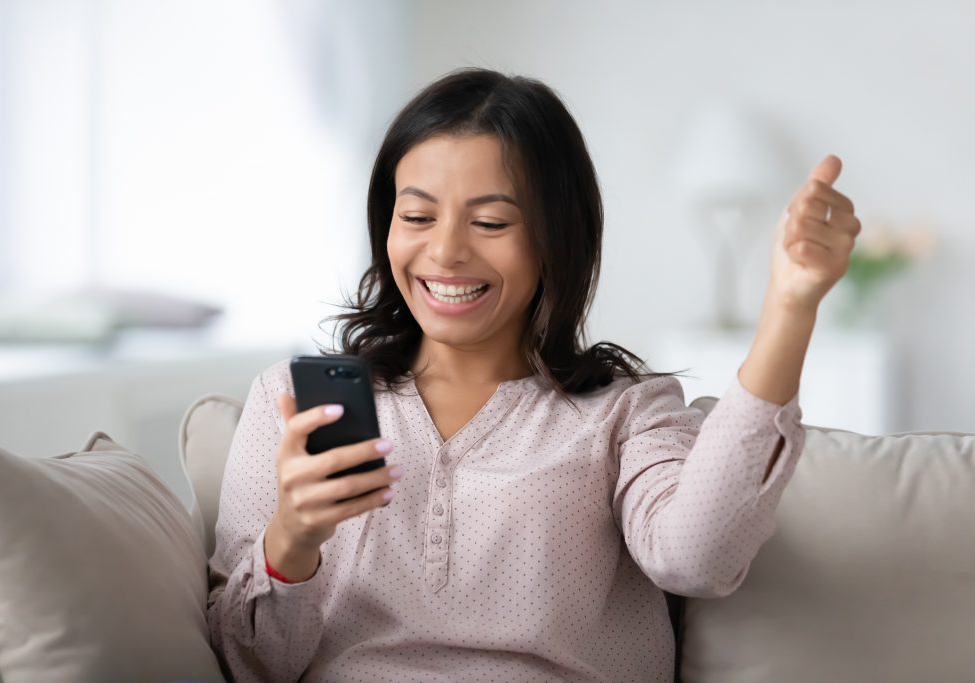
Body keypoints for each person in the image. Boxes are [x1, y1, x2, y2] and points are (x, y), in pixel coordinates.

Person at [206, 68, 861, 682]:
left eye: (490, 221)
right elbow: (249, 665)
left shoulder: (625, 413)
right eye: (417, 216)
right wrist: (291, 538)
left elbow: (698, 556)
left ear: (556, 236)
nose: (446, 251)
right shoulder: (290, 403)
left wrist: (789, 307)